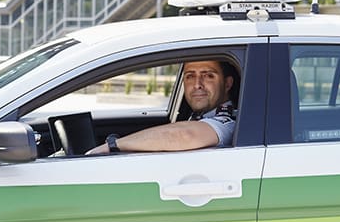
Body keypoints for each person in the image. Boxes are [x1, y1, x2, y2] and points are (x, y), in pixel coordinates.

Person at [86, 60, 238, 154]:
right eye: (190, 76)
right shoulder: (198, 117)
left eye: (208, 75)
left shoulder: (229, 122)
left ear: (227, 84)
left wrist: (112, 146)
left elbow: (183, 136)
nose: (197, 84)